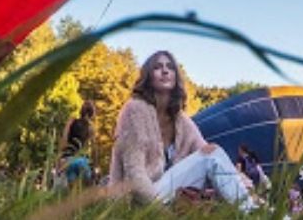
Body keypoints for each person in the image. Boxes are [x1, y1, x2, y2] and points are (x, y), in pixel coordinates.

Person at [108, 50, 254, 210]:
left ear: (176, 76)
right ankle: (253, 213)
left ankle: (257, 209)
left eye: (170, 67)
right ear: (148, 77)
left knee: (212, 152)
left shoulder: (181, 120)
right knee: (211, 157)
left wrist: (241, 180)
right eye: (157, 67)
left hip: (170, 195)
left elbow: (207, 153)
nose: (165, 70)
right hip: (138, 201)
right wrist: (162, 213)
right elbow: (135, 176)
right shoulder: (135, 110)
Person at [57, 100, 96, 185]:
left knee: (72, 191)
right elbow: (93, 149)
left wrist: (59, 159)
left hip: (68, 161)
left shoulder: (71, 121)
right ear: (92, 114)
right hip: (82, 161)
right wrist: (93, 166)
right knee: (86, 189)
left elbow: (64, 140)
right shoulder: (91, 127)